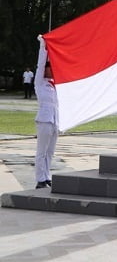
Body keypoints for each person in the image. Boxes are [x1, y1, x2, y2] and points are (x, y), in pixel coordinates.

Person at [34, 36, 58, 189]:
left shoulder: (55, 85)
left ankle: (47, 176)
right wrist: (44, 46)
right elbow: (40, 64)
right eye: (49, 67)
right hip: (44, 119)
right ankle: (40, 179)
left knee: (50, 152)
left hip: (55, 120)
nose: (51, 70)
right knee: (41, 151)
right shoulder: (40, 83)